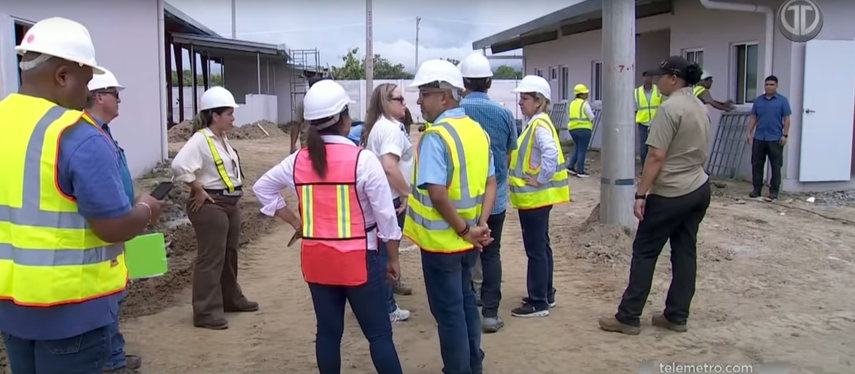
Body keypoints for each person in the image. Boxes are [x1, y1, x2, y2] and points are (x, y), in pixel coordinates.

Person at [0, 17, 163, 374]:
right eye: (86, 82)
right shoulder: (76, 135)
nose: (87, 94)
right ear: (62, 76)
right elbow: (113, 226)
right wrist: (146, 210)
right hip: (72, 309)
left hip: (12, 307)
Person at [252, 80, 404, 374]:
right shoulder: (363, 161)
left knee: (328, 334)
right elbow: (387, 218)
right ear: (345, 120)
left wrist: (296, 223)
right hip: (360, 260)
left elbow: (262, 189)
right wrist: (393, 258)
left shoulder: (297, 161)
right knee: (379, 335)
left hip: (317, 261)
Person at [599, 56, 712, 335]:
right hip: (698, 187)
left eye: (661, 76)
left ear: (674, 78)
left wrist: (641, 194)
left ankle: (628, 316)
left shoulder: (670, 108)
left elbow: (656, 155)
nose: (655, 80)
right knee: (685, 252)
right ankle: (677, 315)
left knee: (645, 252)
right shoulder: (699, 105)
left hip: (671, 191)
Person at [404, 59, 496, 374]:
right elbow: (491, 182)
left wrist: (464, 230)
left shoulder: (436, 136)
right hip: (467, 240)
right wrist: (480, 226)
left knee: (449, 312)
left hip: (445, 243)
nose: (419, 100)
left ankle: (458, 369)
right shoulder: (477, 132)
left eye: (425, 93)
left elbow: (437, 192)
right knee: (467, 302)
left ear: (444, 97)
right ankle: (473, 365)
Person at [171, 86, 258, 330]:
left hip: (229, 203)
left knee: (229, 253)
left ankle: (230, 298)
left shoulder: (222, 139)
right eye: (229, 113)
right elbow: (179, 166)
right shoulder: (201, 140)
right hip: (212, 205)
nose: (233, 118)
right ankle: (205, 312)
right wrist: (197, 188)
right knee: (211, 257)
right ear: (214, 115)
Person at [86, 68, 143, 374]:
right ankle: (111, 362)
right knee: (106, 298)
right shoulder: (87, 135)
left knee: (116, 294)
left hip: (118, 222)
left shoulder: (103, 132)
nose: (119, 100)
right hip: (103, 231)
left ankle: (114, 356)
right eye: (115, 94)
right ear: (99, 97)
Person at [459, 52, 518, 333]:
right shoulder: (504, 114)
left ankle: (467, 307)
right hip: (496, 199)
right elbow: (507, 156)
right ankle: (491, 314)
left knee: (464, 253)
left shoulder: (456, 112)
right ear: (490, 83)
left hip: (464, 200)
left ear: (464, 83)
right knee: (492, 253)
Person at [508, 75, 570, 318]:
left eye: (524, 98)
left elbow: (551, 153)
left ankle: (538, 302)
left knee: (536, 249)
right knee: (542, 247)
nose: (520, 103)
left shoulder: (539, 125)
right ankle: (546, 293)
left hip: (534, 198)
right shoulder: (536, 122)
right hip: (537, 199)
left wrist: (541, 178)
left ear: (539, 101)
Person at [361, 83, 414, 323]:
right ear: (385, 101)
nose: (404, 103)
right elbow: (390, 166)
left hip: (383, 196)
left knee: (381, 251)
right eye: (399, 99)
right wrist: (405, 192)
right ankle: (387, 306)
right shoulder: (390, 129)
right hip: (390, 198)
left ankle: (382, 299)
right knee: (385, 252)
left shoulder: (381, 127)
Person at [747, 75, 791, 201]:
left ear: (776, 86)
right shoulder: (759, 101)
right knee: (757, 164)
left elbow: (787, 118)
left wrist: (785, 134)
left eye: (772, 85)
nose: (769, 87)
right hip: (760, 137)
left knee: (776, 166)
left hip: (775, 138)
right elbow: (753, 117)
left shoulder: (782, 101)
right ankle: (756, 189)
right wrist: (749, 133)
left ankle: (774, 191)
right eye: (767, 84)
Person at [290, 75, 330, 154]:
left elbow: (296, 125)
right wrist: (292, 145)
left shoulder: (304, 103)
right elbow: (296, 125)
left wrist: (292, 146)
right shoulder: (305, 104)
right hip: (312, 145)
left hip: (314, 144)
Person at [635, 71, 663, 169]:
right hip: (643, 122)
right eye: (646, 77)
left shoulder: (659, 90)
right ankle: (645, 168)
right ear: (643, 78)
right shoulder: (637, 92)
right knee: (644, 149)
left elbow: (663, 105)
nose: (648, 79)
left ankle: (655, 169)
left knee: (656, 147)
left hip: (656, 122)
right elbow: (634, 108)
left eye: (650, 77)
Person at [566, 84, 595, 178]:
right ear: (581, 94)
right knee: (582, 150)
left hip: (573, 129)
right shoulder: (584, 104)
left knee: (578, 148)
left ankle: (570, 166)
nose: (587, 95)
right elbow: (591, 117)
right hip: (584, 129)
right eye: (585, 93)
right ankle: (580, 171)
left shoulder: (572, 103)